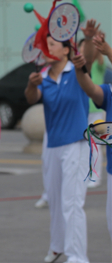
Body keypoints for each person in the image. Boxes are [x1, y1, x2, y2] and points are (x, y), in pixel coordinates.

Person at [25, 32, 92, 263]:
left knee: (72, 202)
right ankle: (57, 246)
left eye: (52, 44)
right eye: (45, 45)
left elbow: (89, 60)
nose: (47, 48)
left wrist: (89, 40)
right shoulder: (42, 76)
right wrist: (30, 85)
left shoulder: (76, 71)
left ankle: (77, 255)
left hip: (77, 143)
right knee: (54, 199)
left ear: (66, 50)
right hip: (53, 145)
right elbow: (32, 98)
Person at [74, 29, 112, 242]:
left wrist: (107, 51)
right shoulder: (109, 91)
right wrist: (80, 67)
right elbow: (90, 88)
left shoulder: (103, 63)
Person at [80, 37, 107, 189]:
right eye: (82, 46)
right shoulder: (80, 68)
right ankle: (87, 173)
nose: (83, 49)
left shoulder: (97, 64)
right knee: (85, 145)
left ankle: (96, 177)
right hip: (83, 110)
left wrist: (94, 38)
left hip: (96, 110)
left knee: (95, 144)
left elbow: (95, 55)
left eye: (86, 46)